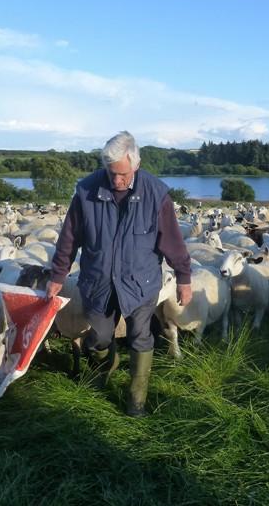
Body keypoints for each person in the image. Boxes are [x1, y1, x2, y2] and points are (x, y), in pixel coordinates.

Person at [46, 131, 192, 416]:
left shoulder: (156, 193)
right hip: (98, 281)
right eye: (111, 173)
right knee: (98, 337)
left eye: (122, 174)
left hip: (140, 281)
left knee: (140, 335)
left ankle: (135, 401)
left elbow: (172, 240)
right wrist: (57, 275)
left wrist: (184, 278)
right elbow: (69, 238)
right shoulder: (86, 191)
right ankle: (103, 374)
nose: (116, 181)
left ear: (135, 164)